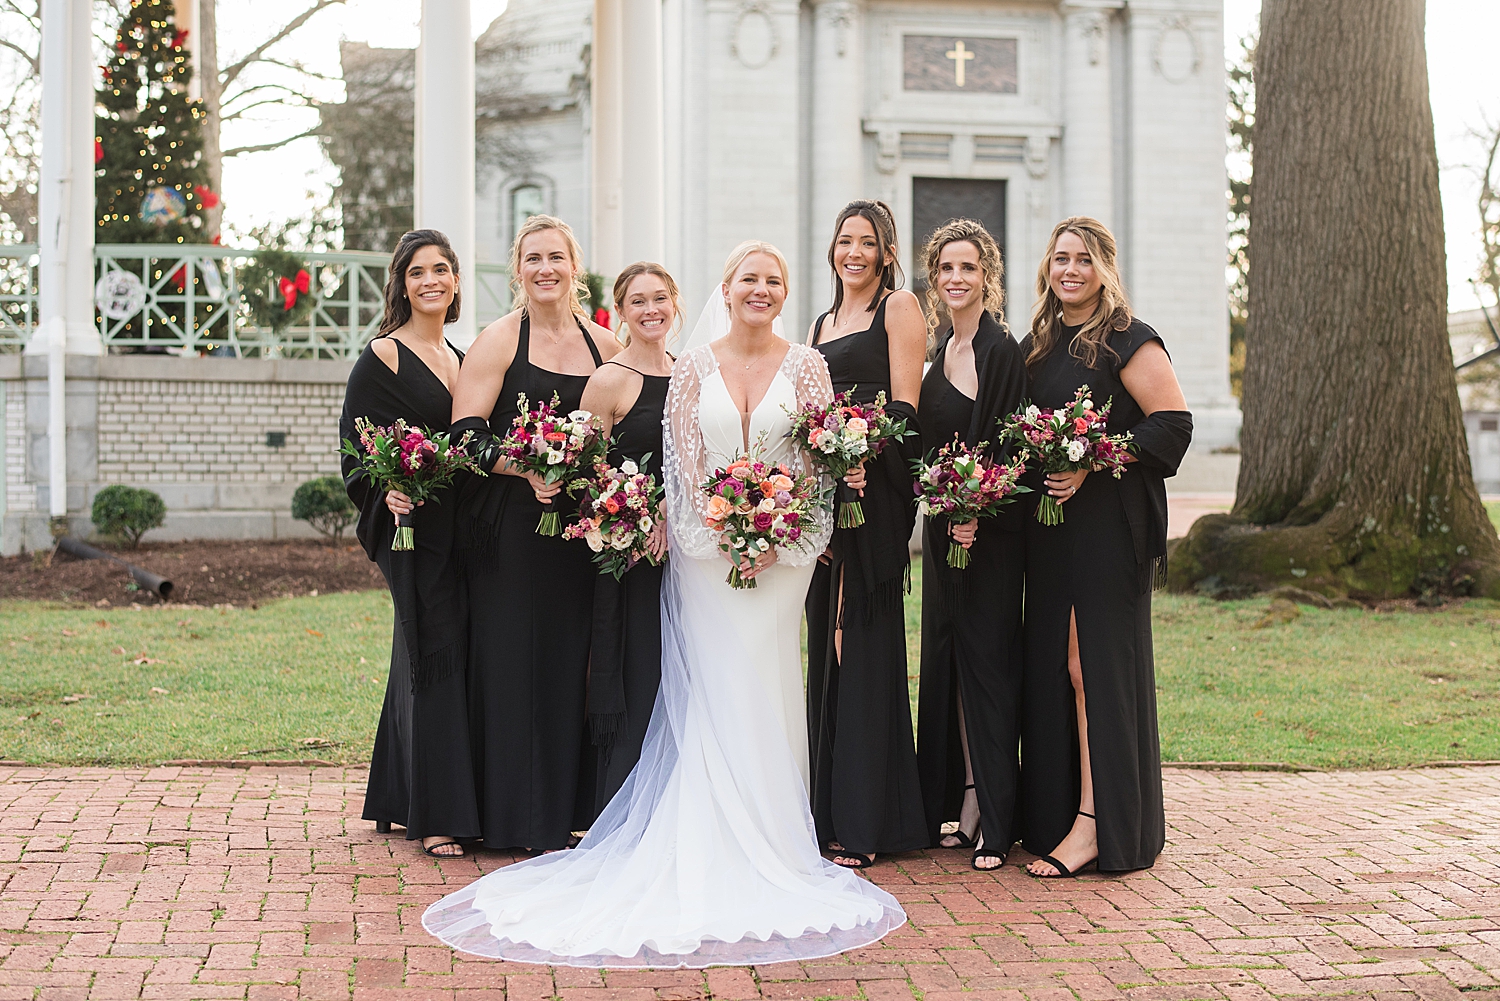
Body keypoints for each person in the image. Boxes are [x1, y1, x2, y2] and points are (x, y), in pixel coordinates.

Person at [422, 240, 905, 968]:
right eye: (749, 278)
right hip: (706, 561)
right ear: (725, 286)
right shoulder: (693, 372)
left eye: (774, 280)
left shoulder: (809, 366)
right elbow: (683, 475)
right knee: (712, 691)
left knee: (769, 690)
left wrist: (784, 538)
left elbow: (817, 467)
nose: (762, 290)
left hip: (783, 564)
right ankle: (705, 838)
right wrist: (726, 535)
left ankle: (775, 838)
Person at [1018, 217, 1193, 877]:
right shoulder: (1041, 343)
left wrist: (1095, 458)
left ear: (1104, 268)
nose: (1070, 270)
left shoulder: (1128, 338)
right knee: (1061, 671)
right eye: (1060, 258)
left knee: (1094, 671)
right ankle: (1063, 811)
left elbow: (1172, 425)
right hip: (1051, 531)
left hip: (1108, 529)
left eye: (1083, 260)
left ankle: (1100, 823)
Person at [448, 215, 619, 851]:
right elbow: (464, 437)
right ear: (517, 270)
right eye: (532, 259)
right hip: (513, 533)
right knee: (513, 662)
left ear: (575, 265)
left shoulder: (605, 345)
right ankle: (512, 814)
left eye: (556, 257)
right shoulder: (498, 340)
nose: (545, 269)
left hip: (583, 535)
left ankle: (565, 813)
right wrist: (525, 464)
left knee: (571, 664)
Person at [342, 229, 480, 859]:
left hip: (470, 531)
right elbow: (355, 450)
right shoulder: (382, 357)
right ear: (401, 282)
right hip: (413, 531)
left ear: (455, 282)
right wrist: (385, 493)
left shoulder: (463, 355)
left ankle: (398, 794)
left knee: (444, 658)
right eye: (418, 271)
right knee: (432, 653)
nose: (432, 281)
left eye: (442, 270)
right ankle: (436, 816)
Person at [804, 200, 927, 869]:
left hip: (874, 489)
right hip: (828, 491)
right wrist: (824, 464)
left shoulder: (898, 307)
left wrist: (862, 452)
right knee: (828, 639)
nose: (855, 251)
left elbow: (906, 407)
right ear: (833, 249)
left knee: (862, 639)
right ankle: (832, 809)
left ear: (886, 252)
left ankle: (867, 819)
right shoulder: (822, 322)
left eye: (868, 242)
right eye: (845, 240)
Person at [913, 219, 1028, 871]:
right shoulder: (939, 345)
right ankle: (964, 794)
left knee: (988, 667)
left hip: (987, 535)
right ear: (936, 279)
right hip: (943, 529)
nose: (956, 279)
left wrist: (977, 510)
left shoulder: (999, 349)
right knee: (950, 664)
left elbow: (1008, 445)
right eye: (946, 269)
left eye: (968, 268)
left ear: (987, 275)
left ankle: (997, 814)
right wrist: (944, 506)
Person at [578, 262, 677, 816]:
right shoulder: (608, 381)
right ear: (621, 312)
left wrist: (670, 509)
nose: (650, 310)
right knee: (637, 667)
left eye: (659, 298)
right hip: (629, 551)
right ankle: (621, 802)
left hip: (685, 547)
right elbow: (587, 474)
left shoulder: (690, 373)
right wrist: (635, 515)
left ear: (675, 304)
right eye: (637, 301)